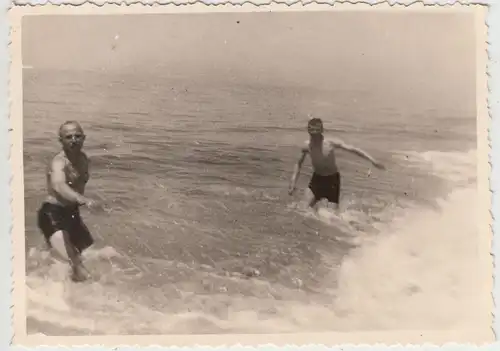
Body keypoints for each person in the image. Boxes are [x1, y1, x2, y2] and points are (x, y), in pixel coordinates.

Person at [36, 121, 100, 282]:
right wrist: (81, 199)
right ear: (61, 140)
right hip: (53, 215)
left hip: (72, 215)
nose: (74, 140)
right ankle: (63, 302)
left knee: (94, 258)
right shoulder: (58, 162)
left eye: (77, 136)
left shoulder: (84, 159)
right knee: (76, 264)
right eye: (68, 137)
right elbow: (59, 185)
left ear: (84, 138)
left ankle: (53, 286)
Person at [288, 118, 385, 212]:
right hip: (317, 179)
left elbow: (353, 149)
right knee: (302, 209)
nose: (313, 134)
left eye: (316, 131)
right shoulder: (307, 145)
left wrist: (373, 161)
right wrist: (293, 182)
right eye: (311, 131)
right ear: (308, 130)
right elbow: (298, 163)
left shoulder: (330, 143)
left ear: (321, 130)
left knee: (331, 218)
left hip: (332, 181)